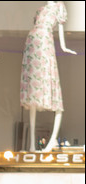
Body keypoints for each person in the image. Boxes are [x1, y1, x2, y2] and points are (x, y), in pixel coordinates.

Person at [21, 0, 76, 152]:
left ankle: (51, 141)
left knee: (52, 89)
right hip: (33, 44)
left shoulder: (59, 7)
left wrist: (64, 47)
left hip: (45, 44)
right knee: (32, 93)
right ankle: (32, 144)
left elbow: (59, 28)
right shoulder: (40, 10)